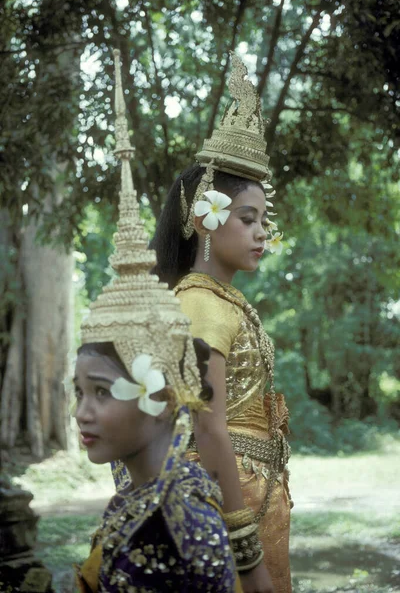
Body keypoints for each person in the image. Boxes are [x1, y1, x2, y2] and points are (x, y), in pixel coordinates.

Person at [73, 49, 240, 593]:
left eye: (100, 391)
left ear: (166, 392)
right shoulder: (144, 497)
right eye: (79, 391)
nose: (82, 412)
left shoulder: (175, 525)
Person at [151, 53, 292, 593]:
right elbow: (206, 425)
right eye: (247, 219)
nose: (261, 234)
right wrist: (241, 540)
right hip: (223, 499)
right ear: (204, 220)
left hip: (252, 492)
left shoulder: (222, 300)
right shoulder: (201, 304)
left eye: (264, 222)